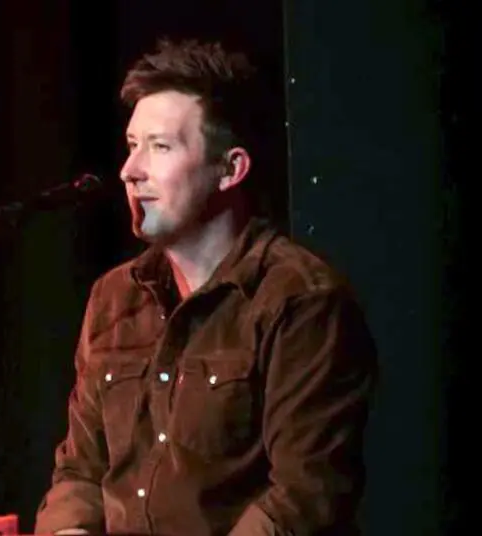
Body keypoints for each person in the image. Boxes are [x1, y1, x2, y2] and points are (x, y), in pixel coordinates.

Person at [34, 39, 378, 535]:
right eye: (132, 146)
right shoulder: (114, 297)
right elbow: (80, 470)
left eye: (160, 147)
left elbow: (304, 496)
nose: (130, 171)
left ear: (230, 169)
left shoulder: (300, 299)